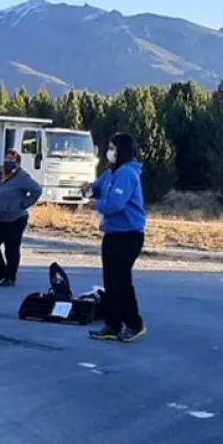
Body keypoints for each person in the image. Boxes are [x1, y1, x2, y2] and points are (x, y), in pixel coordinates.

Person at [82, 132, 148, 343]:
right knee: (110, 281)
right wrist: (89, 188)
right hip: (112, 233)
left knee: (121, 281)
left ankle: (134, 324)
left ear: (122, 150)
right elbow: (99, 187)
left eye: (113, 148)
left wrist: (96, 205)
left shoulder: (127, 173)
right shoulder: (112, 172)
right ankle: (112, 324)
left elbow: (115, 204)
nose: (109, 152)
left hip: (129, 234)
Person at [0, 149, 42, 287]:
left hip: (14, 219)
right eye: (7, 158)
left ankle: (10, 277)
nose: (8, 161)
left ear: (17, 163)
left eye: (12, 159)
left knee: (11, 249)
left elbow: (37, 190)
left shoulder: (22, 177)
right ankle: (1, 269)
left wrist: (24, 204)